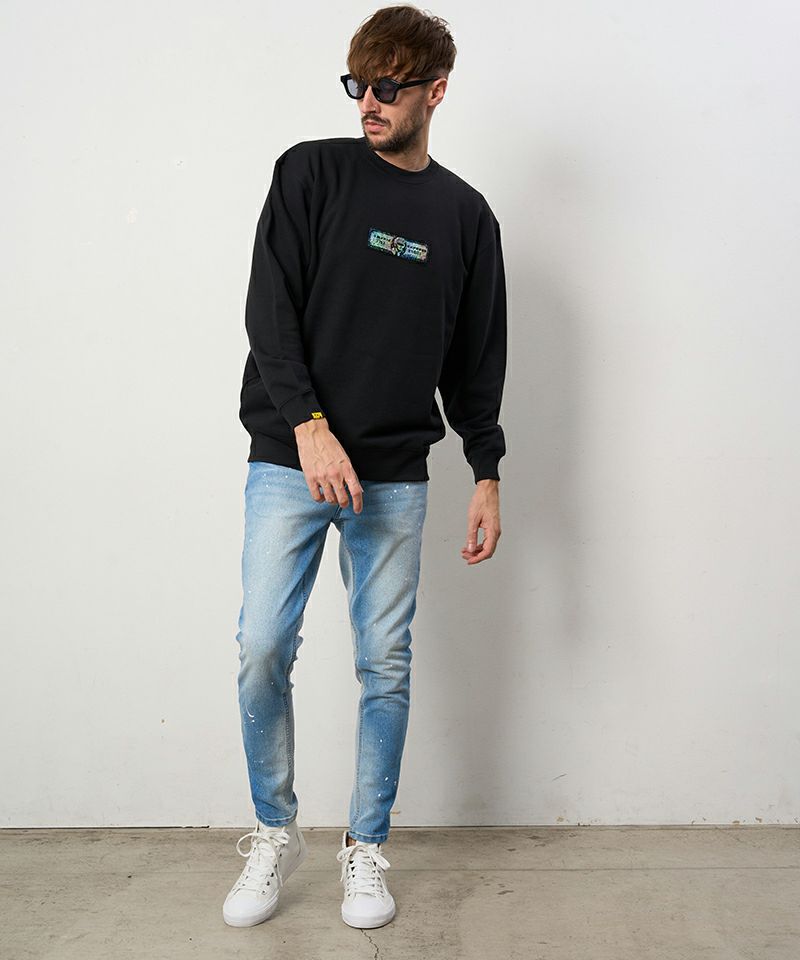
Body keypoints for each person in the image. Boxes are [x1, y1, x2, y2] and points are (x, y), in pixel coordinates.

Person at [223, 3, 508, 931]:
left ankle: (365, 845)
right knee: (263, 647)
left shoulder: (465, 216)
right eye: (358, 84)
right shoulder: (310, 173)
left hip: (392, 475)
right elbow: (270, 311)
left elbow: (476, 359)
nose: (369, 102)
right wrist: (309, 427)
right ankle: (275, 831)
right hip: (291, 459)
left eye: (388, 86)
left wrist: (487, 470)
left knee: (384, 662)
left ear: (436, 91)